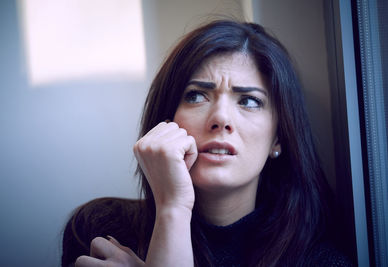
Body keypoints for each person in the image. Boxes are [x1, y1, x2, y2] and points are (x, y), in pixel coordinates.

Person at [62, 19, 353, 266]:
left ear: (278, 138)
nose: (221, 118)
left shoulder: (319, 260)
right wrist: (173, 208)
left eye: (249, 101)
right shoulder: (99, 229)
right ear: (166, 121)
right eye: (196, 95)